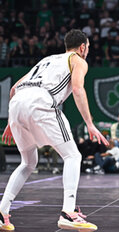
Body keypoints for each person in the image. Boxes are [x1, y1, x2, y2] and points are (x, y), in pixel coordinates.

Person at [0, 29, 108, 231]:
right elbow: (77, 89)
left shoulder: (47, 59)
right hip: (40, 101)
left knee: (28, 163)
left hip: (17, 105)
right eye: (88, 48)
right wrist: (90, 124)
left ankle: (1, 212)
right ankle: (68, 212)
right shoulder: (78, 60)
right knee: (73, 156)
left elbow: (15, 88)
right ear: (83, 47)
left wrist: (10, 122)